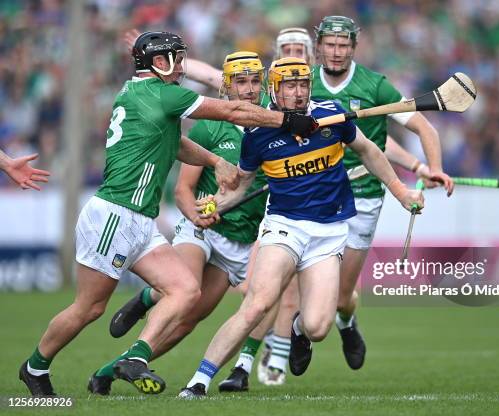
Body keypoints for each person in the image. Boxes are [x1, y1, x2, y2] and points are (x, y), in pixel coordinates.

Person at [19, 31, 317, 397]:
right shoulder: (161, 93)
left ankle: (136, 357)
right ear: (159, 62)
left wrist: (213, 160)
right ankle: (35, 366)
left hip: (141, 219)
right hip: (115, 213)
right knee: (89, 307)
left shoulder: (145, 95)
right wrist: (287, 121)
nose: (182, 67)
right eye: (176, 58)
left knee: (185, 291)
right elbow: (232, 109)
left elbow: (175, 144)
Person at [177, 57, 424, 398]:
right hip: (284, 227)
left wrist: (400, 191)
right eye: (290, 86)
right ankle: (198, 381)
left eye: (303, 85)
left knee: (318, 327)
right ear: (275, 90)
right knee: (258, 303)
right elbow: (242, 185)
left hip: (329, 231)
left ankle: (297, 328)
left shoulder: (332, 116)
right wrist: (213, 206)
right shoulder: (258, 134)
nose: (298, 92)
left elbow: (368, 151)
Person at [89, 51, 271, 395]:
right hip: (200, 228)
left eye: (254, 81)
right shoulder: (210, 128)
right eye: (240, 82)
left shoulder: (272, 128)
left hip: (240, 239)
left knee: (187, 321)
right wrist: (197, 215)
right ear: (226, 88)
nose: (248, 89)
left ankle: (110, 370)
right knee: (185, 289)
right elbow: (184, 190)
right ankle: (149, 296)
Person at [306, 16, 454, 371]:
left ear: (353, 48)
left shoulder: (375, 87)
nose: (337, 52)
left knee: (341, 297)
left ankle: (347, 322)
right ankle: (296, 332)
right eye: (330, 45)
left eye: (344, 46)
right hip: (311, 195)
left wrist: (431, 166)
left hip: (363, 196)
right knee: (305, 283)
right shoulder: (301, 84)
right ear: (319, 47)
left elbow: (423, 126)